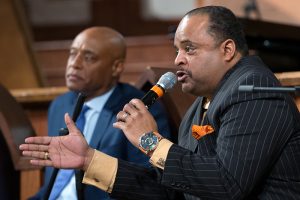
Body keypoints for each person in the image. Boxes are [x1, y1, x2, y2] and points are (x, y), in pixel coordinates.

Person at [20, 6, 300, 200]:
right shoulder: (201, 103)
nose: (178, 59)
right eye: (176, 49)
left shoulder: (252, 91)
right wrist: (90, 160)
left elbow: (228, 185)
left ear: (227, 50)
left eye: (189, 49)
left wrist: (150, 141)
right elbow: (172, 191)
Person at [29, 26, 172, 200]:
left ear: (116, 67)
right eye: (73, 53)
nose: (75, 63)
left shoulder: (138, 110)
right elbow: (53, 183)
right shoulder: (60, 105)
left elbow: (149, 184)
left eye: (88, 57)